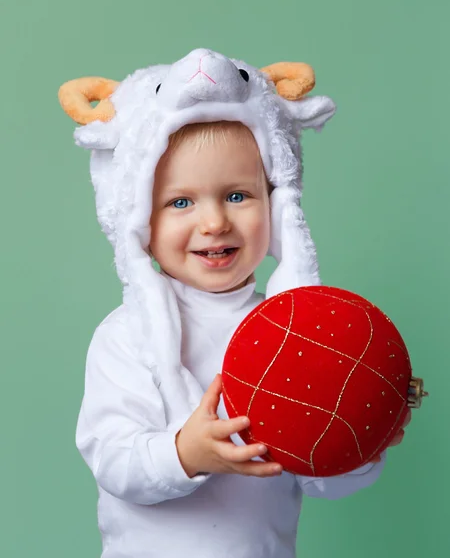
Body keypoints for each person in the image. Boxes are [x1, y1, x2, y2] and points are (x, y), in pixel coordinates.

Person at [58, 49, 409, 558]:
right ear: (139, 220)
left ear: (277, 203)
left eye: (238, 195)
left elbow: (322, 480)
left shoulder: (299, 334)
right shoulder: (127, 334)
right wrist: (185, 454)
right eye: (181, 202)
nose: (215, 223)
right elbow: (112, 459)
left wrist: (357, 441)